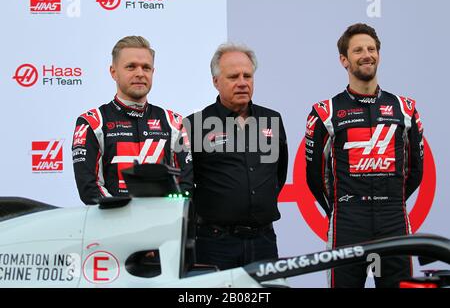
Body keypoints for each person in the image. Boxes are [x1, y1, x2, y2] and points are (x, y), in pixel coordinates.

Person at [305, 23, 424, 288]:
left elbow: (416, 171)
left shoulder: (405, 108)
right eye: (358, 50)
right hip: (348, 222)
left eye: (371, 49)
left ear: (379, 55)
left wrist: (391, 200)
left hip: (393, 220)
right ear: (344, 60)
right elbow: (315, 177)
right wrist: (337, 208)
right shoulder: (325, 111)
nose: (366, 54)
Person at [183, 43, 288, 270]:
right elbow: (186, 185)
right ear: (215, 81)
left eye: (247, 75)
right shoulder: (195, 125)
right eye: (233, 76)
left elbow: (278, 175)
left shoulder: (273, 120)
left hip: (264, 242)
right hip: (214, 244)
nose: (242, 82)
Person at [72, 36, 191, 204]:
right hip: (114, 226)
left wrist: (163, 215)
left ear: (153, 72)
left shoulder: (175, 123)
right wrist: (126, 217)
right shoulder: (92, 122)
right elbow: (89, 187)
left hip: (162, 226)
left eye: (146, 68)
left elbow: (185, 185)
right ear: (113, 72)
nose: (140, 73)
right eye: (131, 67)